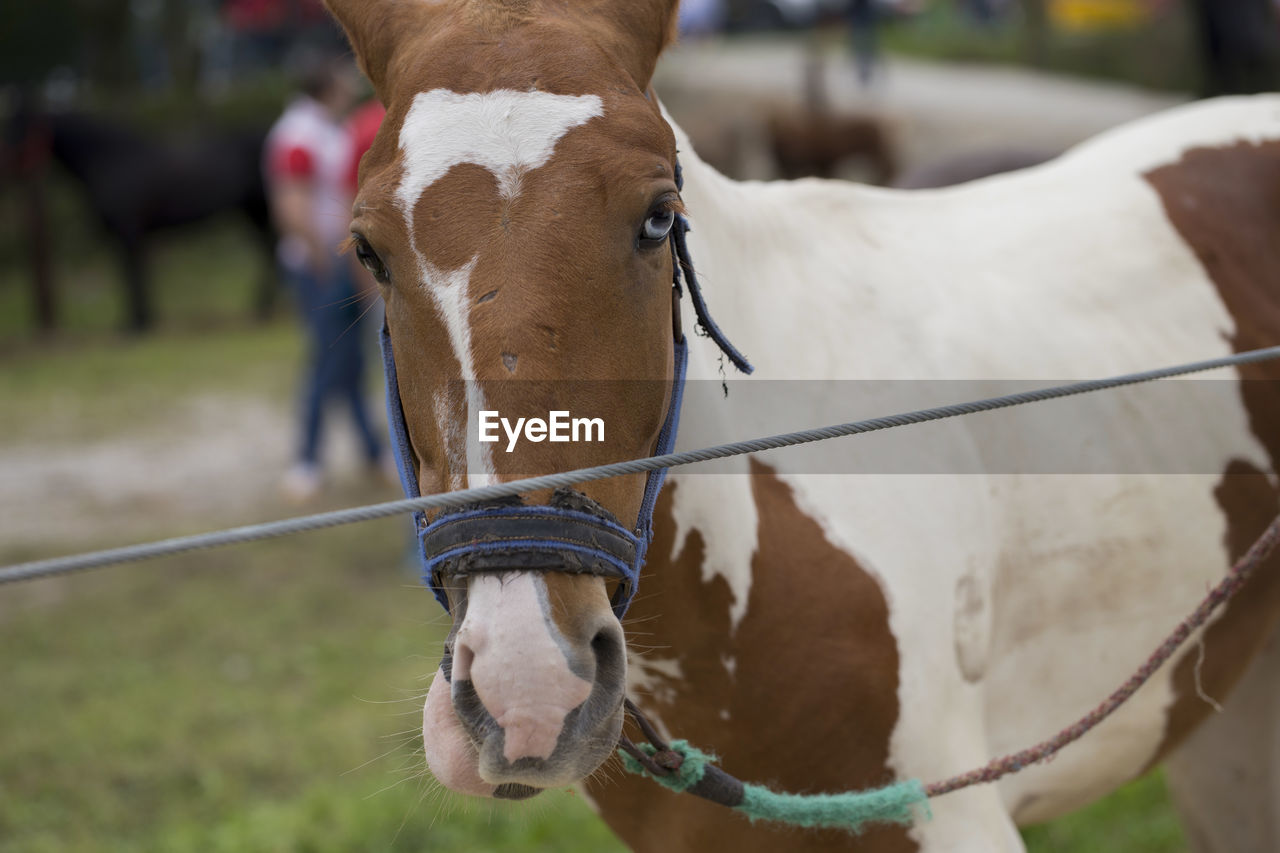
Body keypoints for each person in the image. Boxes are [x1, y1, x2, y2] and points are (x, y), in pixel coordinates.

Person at [265, 55, 385, 501]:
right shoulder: (299, 135)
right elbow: (291, 206)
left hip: (335, 261)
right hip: (321, 264)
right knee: (327, 364)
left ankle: (372, 452)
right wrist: (324, 259)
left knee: (349, 363)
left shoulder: (326, 129)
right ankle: (307, 460)